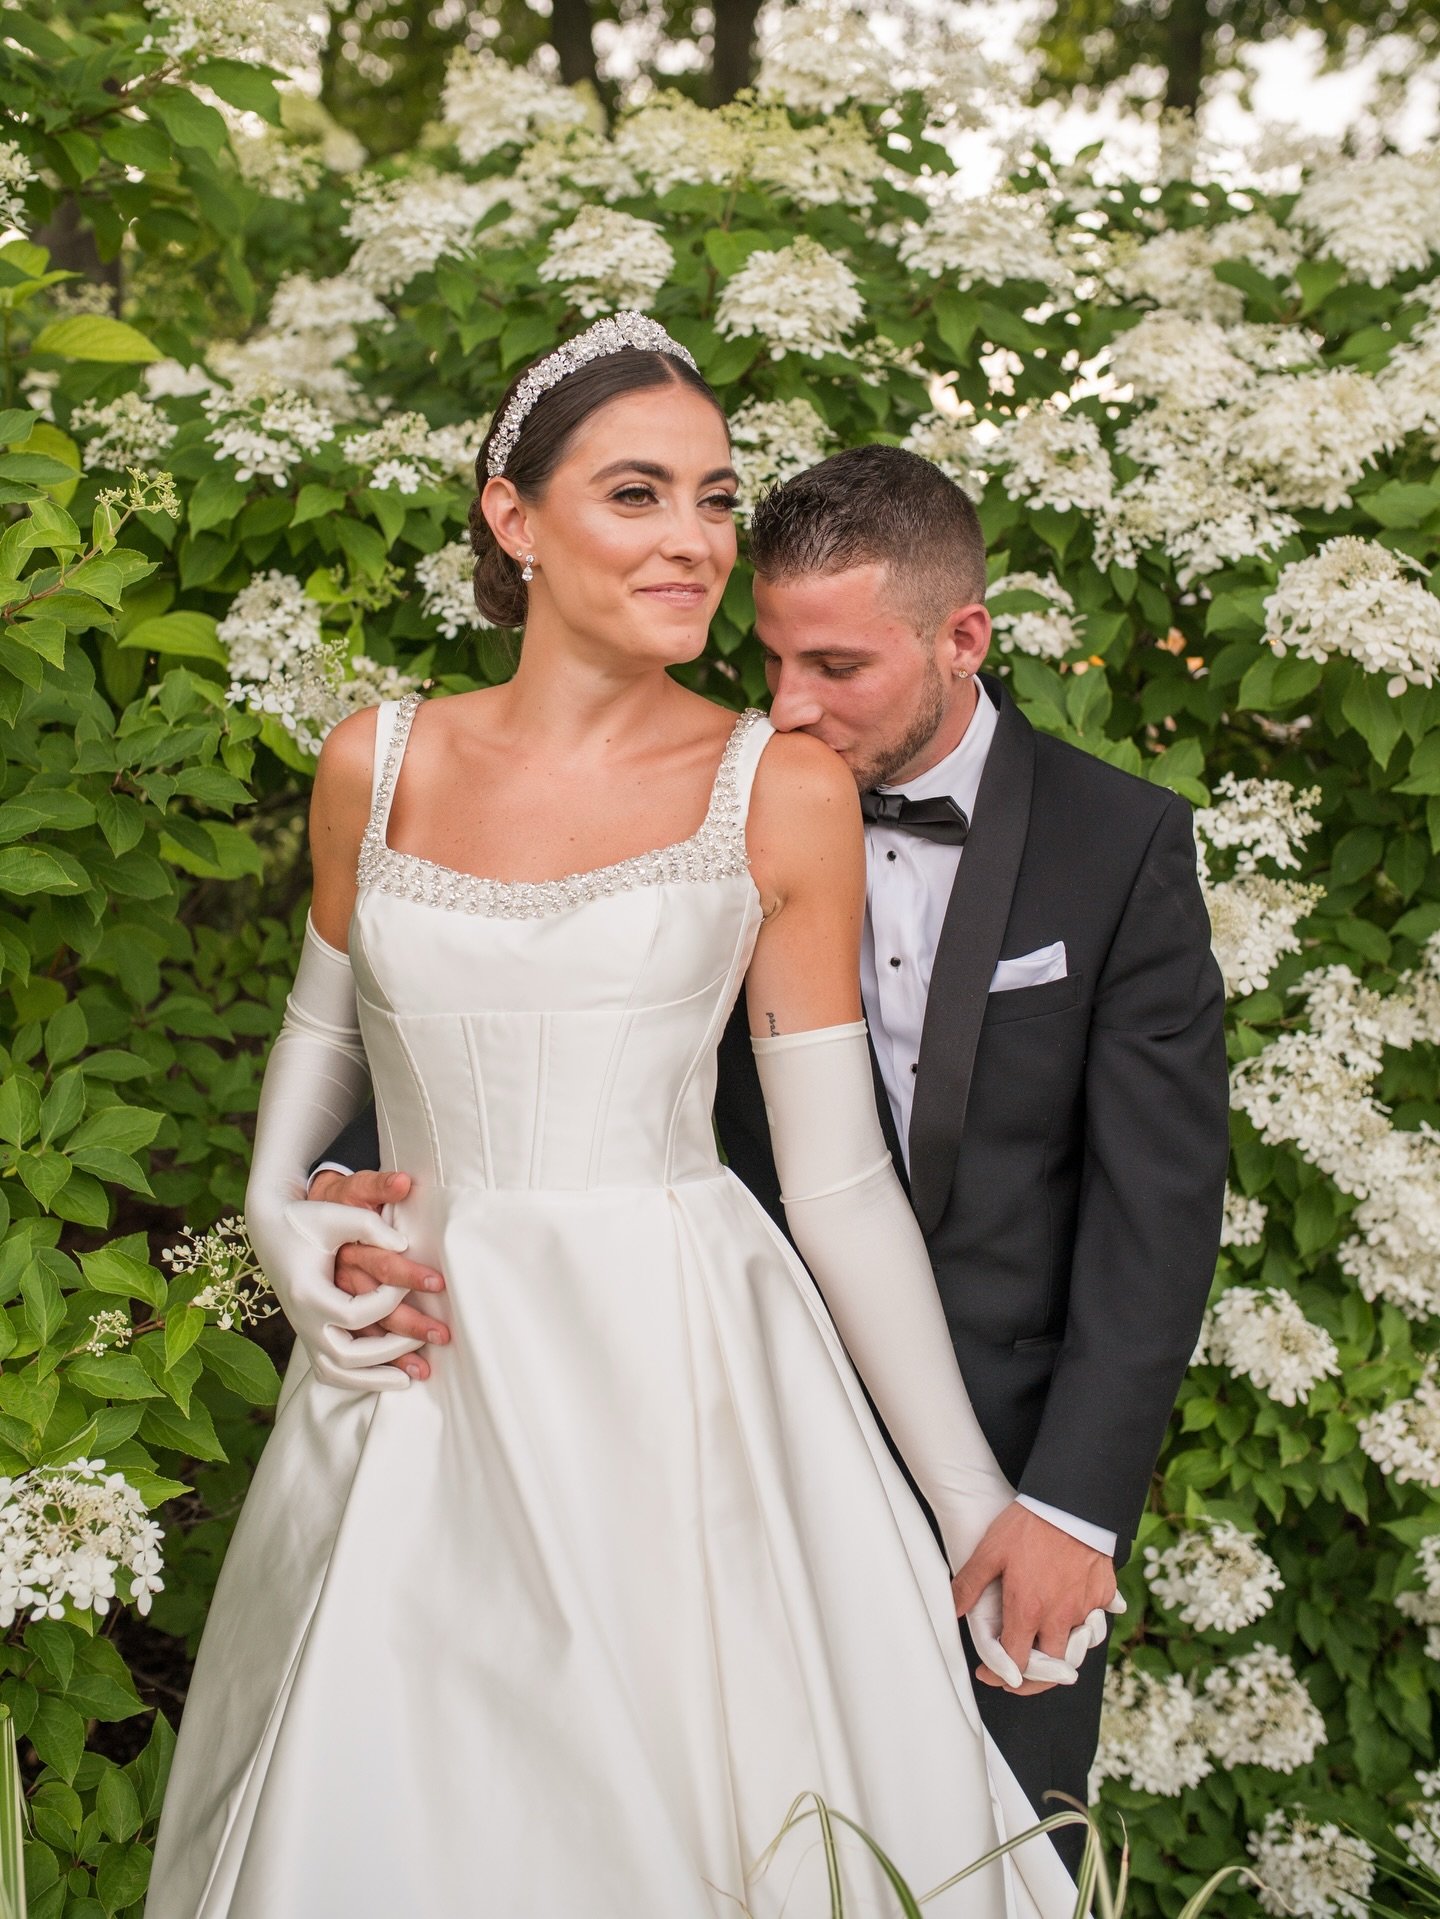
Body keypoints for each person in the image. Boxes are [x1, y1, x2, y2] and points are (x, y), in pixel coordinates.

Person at [146, 317, 1089, 1919]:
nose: (695, 540)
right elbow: (317, 1044)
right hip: (417, 1373)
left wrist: (972, 1504)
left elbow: (838, 1183)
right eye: (638, 494)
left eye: (716, 499)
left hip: (675, 1377)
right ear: (514, 519)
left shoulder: (775, 786)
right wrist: (280, 1225)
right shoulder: (376, 762)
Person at [307, 440, 1231, 1873]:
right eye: (772, 660)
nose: (790, 705)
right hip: (703, 1435)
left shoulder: (1118, 845)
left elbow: (1155, 1212)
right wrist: (347, 1187)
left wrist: (1067, 1506)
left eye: (838, 667)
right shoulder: (714, 791)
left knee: (980, 1860)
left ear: (963, 640)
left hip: (1005, 1465)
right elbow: (521, 1003)